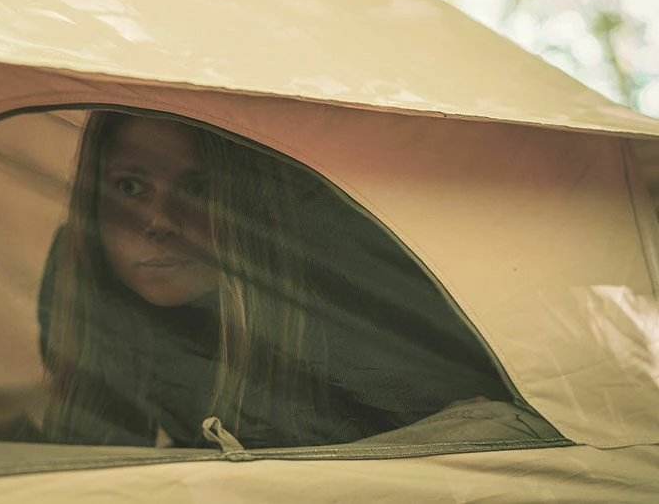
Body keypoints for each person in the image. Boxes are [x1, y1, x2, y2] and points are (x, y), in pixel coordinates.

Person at [36, 110, 510, 449]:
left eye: (200, 189)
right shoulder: (78, 278)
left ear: (246, 203)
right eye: (130, 187)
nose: (160, 221)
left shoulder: (328, 309)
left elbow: (473, 438)